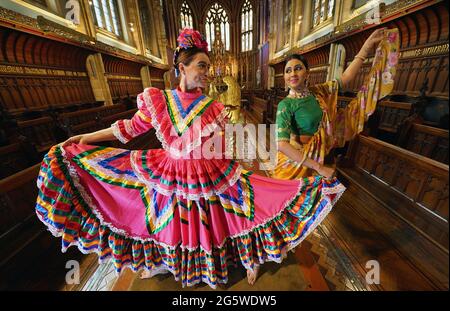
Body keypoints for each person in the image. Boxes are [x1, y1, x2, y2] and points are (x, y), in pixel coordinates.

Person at [35, 29, 345, 289]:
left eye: (208, 67)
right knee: (165, 222)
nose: (207, 73)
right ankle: (161, 261)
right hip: (169, 171)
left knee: (226, 218)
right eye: (201, 65)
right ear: (182, 68)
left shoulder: (213, 107)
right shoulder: (159, 100)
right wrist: (86, 139)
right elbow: (128, 129)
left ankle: (251, 257)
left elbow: (224, 145)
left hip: (209, 172)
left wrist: (243, 164)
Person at [272, 28, 400, 180]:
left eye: (298, 68)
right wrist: (318, 167)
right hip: (300, 163)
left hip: (325, 154)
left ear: (307, 73)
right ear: (285, 77)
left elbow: (346, 77)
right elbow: (282, 145)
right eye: (288, 71)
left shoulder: (319, 91)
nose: (292, 73)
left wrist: (367, 46)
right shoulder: (286, 105)